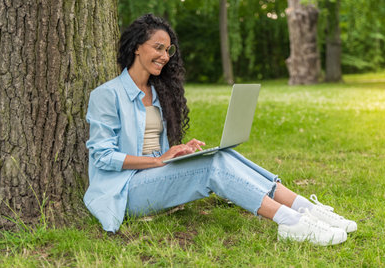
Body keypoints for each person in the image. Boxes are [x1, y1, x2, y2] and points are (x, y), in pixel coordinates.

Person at [84, 13, 357, 246]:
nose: (164, 56)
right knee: (211, 165)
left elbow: (154, 149)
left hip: (153, 177)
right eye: (158, 48)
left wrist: (176, 153)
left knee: (221, 155)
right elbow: (103, 157)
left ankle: (308, 209)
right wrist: (158, 160)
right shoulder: (107, 95)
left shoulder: (157, 92)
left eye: (168, 50)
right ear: (136, 47)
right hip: (125, 191)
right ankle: (292, 223)